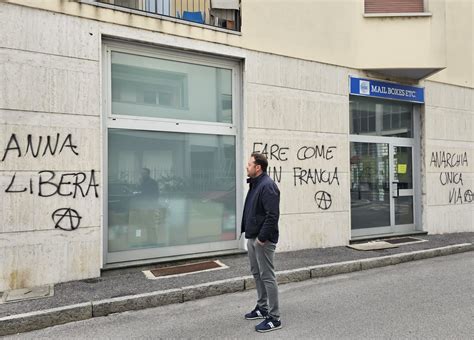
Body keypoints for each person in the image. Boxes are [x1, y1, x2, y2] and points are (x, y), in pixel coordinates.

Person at [241, 152, 281, 333]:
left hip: (263, 240)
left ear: (258, 167)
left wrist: (262, 238)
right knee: (257, 274)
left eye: (249, 164)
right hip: (253, 236)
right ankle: (262, 307)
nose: (247, 167)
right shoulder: (256, 184)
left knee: (267, 276)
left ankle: (274, 317)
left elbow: (272, 216)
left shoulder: (267, 186)